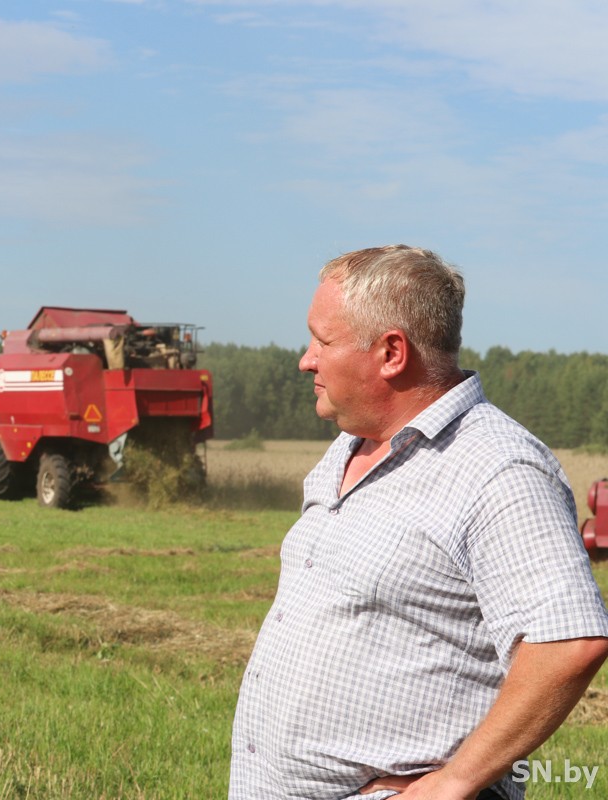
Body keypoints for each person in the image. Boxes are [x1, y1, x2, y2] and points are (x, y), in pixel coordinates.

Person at [229, 245, 608, 800]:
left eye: (323, 341)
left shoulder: (498, 468)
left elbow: (568, 642)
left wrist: (456, 781)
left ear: (390, 353)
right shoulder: (346, 447)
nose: (306, 359)